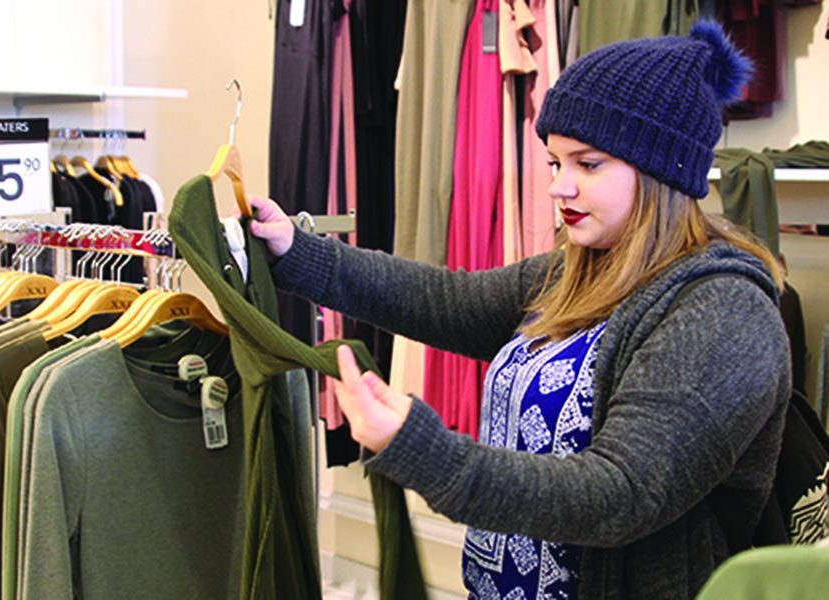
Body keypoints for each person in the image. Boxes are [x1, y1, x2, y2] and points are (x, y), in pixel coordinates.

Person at [250, 20, 791, 600]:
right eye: (556, 163)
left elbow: (621, 493)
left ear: (662, 170)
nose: (558, 187)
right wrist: (297, 252)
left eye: (587, 164)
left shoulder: (722, 312)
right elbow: (447, 301)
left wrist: (425, 449)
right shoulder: (582, 269)